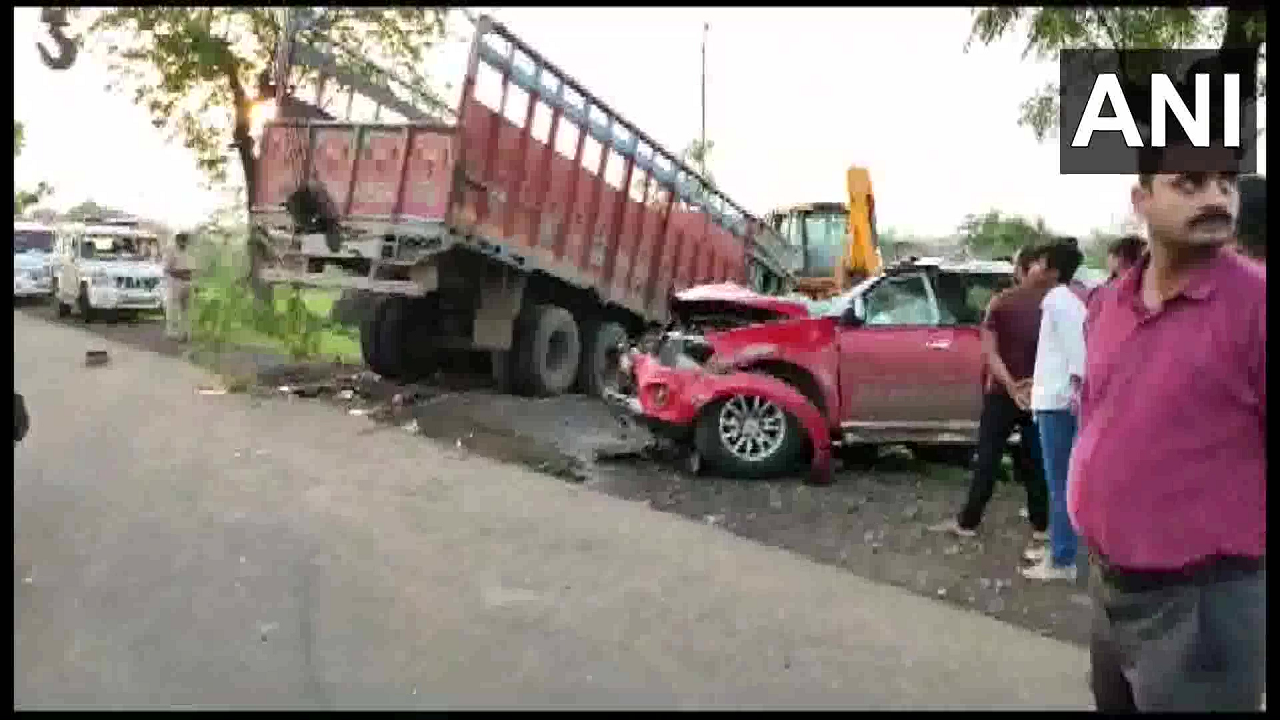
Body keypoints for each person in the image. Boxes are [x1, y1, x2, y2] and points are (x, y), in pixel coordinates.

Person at [1071, 140, 1266, 711]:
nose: (1216, 198)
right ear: (1141, 200)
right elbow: (1099, 413)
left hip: (1204, 603)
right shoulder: (1108, 303)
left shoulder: (1257, 305)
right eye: (1190, 183)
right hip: (1110, 584)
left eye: (1226, 183)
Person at [931, 244, 1049, 551]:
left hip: (1002, 393)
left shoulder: (1000, 303)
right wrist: (1032, 386)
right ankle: (1041, 526)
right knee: (1036, 461)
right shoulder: (1051, 304)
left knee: (988, 458)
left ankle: (968, 523)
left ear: (1019, 269)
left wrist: (1011, 386)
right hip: (1037, 394)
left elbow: (990, 354)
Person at [1020, 239, 1086, 582]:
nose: (1032, 269)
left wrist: (1073, 392)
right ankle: (1061, 549)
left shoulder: (1059, 301)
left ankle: (1063, 560)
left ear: (1052, 271)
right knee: (1059, 482)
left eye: (1039, 263)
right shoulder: (1060, 301)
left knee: (1060, 483)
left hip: (1059, 405)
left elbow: (1079, 355)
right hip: (1055, 400)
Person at [164, 232, 195, 342]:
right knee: (174, 308)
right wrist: (181, 274)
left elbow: (193, 268)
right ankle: (172, 332)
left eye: (185, 239)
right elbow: (167, 269)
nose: (184, 242)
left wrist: (190, 276)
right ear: (177, 240)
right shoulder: (171, 250)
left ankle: (185, 332)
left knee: (186, 309)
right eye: (182, 239)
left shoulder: (189, 251)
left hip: (187, 282)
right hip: (175, 282)